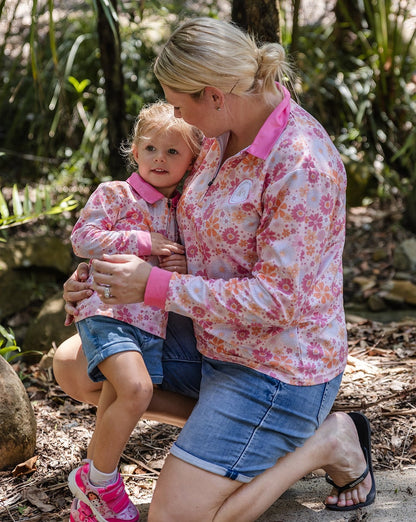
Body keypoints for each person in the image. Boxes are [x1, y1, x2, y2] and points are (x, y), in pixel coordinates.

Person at [54, 17, 376, 522]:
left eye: (180, 106)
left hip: (276, 366)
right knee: (76, 363)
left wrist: (153, 287)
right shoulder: (216, 136)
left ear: (214, 95)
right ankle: (225, 434)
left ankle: (325, 441)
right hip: (210, 337)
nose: (177, 118)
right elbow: (161, 218)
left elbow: (276, 302)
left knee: (176, 518)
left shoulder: (301, 165)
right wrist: (99, 278)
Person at [66, 101, 203, 522]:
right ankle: (100, 482)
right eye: (150, 149)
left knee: (116, 400)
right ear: (135, 151)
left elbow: (179, 266)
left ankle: (86, 505)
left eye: (173, 152)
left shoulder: (183, 211)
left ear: (191, 160)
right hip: (108, 311)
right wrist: (145, 242)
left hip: (151, 322)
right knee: (138, 390)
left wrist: (178, 265)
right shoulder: (115, 193)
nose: (159, 159)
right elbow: (83, 239)